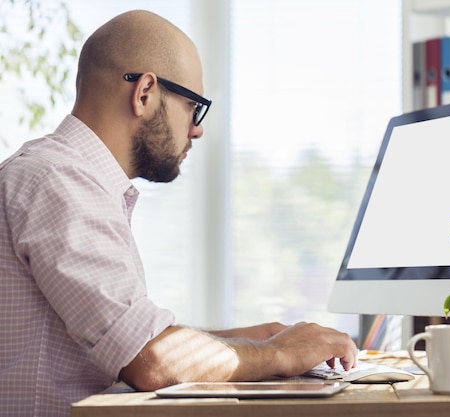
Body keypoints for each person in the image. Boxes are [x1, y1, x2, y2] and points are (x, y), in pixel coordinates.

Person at [0, 10, 357, 417]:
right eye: (194, 106)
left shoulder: (71, 180)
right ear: (145, 93)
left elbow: (134, 340)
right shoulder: (58, 181)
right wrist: (277, 353)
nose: (198, 129)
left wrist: (253, 341)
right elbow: (151, 361)